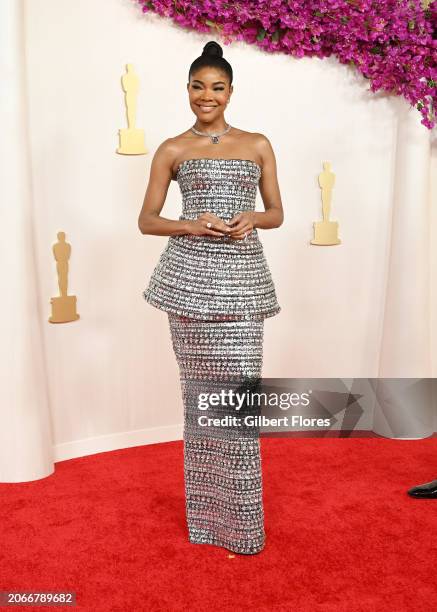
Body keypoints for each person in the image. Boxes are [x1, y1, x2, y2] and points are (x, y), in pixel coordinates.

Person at [138, 40, 283, 554]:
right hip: (190, 285)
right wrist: (192, 225)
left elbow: (276, 212)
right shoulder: (173, 149)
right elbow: (147, 220)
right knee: (198, 399)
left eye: (217, 87)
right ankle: (206, 523)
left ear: (230, 92)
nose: (207, 96)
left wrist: (253, 218)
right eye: (198, 87)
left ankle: (243, 527)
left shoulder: (258, 143)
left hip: (243, 281)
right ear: (188, 91)